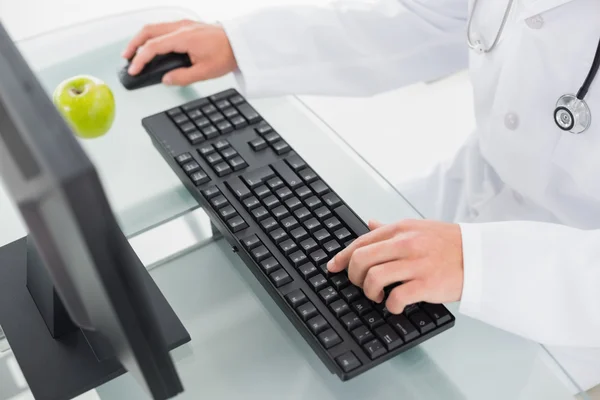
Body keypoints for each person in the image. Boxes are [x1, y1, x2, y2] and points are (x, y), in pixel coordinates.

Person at [123, 0, 600, 394]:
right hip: (454, 203)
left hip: (561, 308)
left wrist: (478, 263)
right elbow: (426, 21)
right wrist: (242, 45)